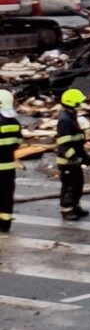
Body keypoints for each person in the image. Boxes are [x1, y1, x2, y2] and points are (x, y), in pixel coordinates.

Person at [56, 88, 90, 222]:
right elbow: (64, 144)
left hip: (74, 160)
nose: (81, 105)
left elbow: (76, 142)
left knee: (78, 184)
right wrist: (73, 157)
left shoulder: (71, 117)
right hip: (67, 162)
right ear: (73, 103)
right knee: (69, 186)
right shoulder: (65, 120)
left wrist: (84, 156)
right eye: (79, 103)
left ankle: (75, 206)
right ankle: (67, 209)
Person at [0, 88, 20, 233]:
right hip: (9, 167)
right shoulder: (15, 122)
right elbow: (17, 143)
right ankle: (5, 223)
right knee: (6, 196)